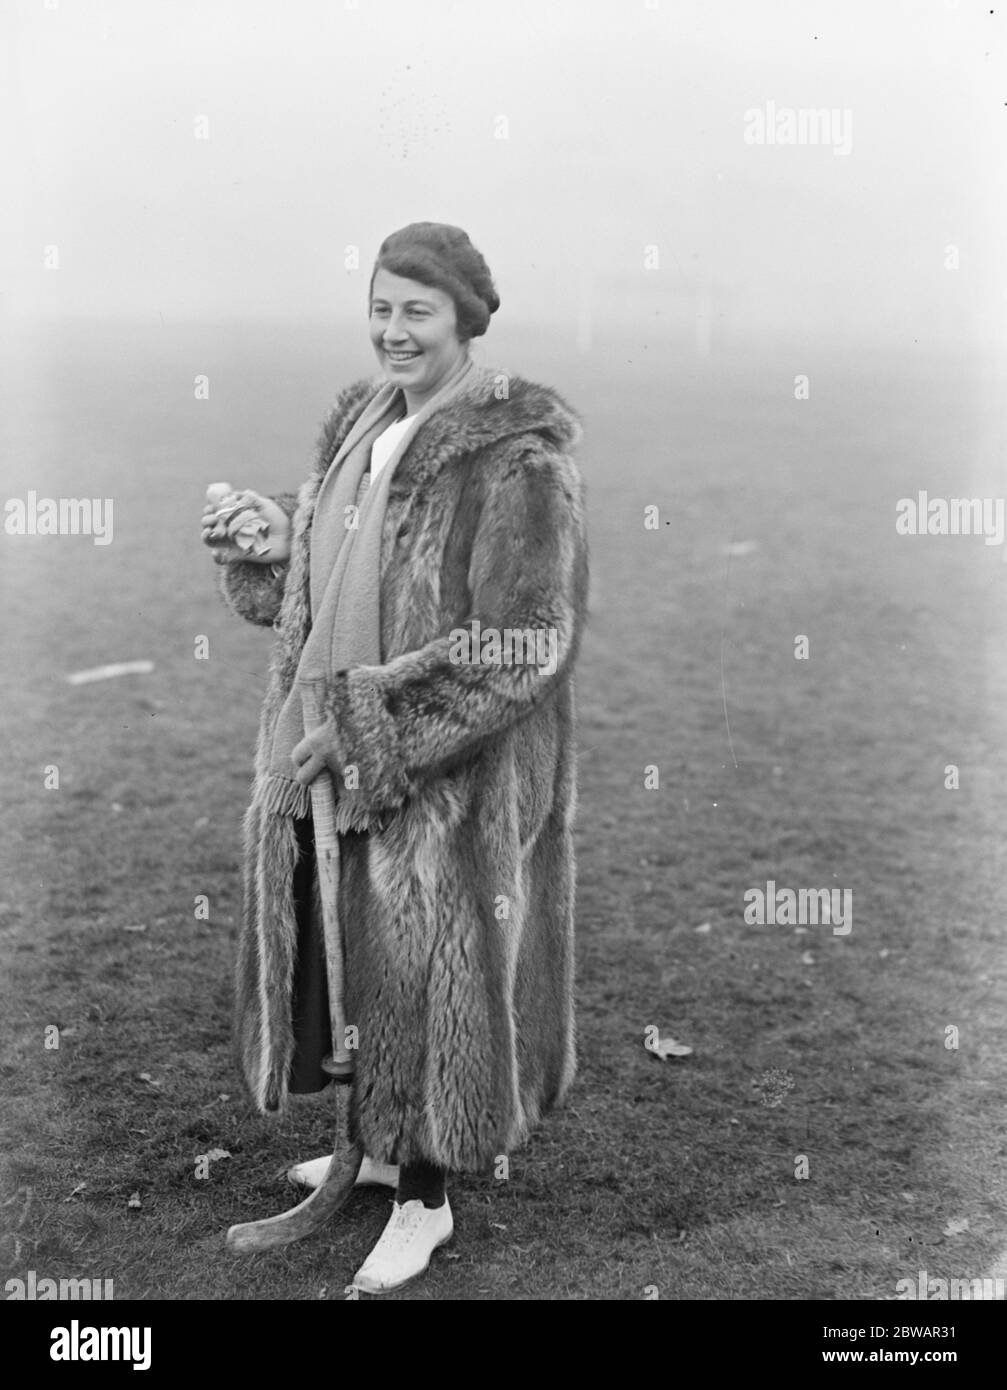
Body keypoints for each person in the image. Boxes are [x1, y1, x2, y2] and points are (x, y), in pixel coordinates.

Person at [201, 221, 589, 1294]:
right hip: (335, 751)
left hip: (450, 777)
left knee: (432, 975)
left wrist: (381, 724)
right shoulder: (363, 423)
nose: (392, 330)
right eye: (379, 307)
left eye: (416, 310)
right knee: (355, 960)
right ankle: (371, 1149)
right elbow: (347, 571)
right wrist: (274, 538)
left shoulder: (517, 458)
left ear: (468, 317)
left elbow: (526, 641)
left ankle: (424, 1201)